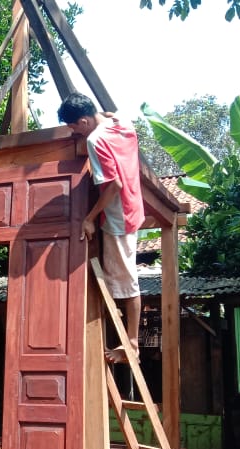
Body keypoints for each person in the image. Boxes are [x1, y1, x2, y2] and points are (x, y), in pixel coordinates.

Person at [58, 92, 144, 364]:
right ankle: (129, 338)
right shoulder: (121, 122)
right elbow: (110, 115)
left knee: (127, 282)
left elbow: (113, 186)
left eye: (73, 127)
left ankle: (131, 342)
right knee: (122, 276)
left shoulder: (95, 140)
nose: (74, 133)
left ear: (83, 121)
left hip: (119, 220)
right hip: (134, 208)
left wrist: (89, 218)